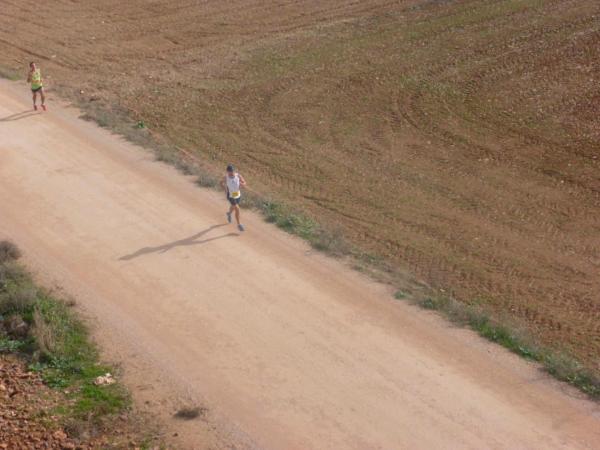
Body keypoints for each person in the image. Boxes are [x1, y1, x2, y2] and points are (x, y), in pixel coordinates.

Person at [221, 164, 246, 232]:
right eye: (229, 172)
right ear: (227, 171)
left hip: (238, 195)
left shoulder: (238, 175)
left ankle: (229, 213)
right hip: (231, 196)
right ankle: (239, 224)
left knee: (233, 206)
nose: (231, 173)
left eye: (232, 171)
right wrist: (225, 189)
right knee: (237, 209)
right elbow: (221, 183)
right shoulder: (225, 177)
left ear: (234, 171)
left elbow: (244, 183)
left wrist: (242, 184)